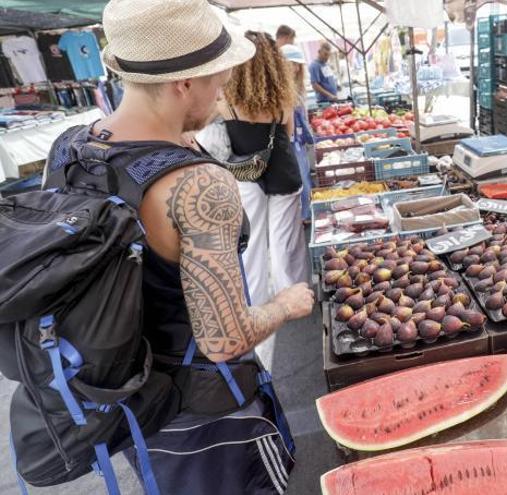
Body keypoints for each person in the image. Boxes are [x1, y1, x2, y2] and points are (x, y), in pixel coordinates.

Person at [57, 0, 313, 493]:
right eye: (218, 78)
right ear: (184, 82)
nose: (222, 94)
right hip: (205, 413)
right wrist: (285, 303)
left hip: (121, 399)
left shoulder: (70, 147)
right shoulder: (196, 184)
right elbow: (224, 341)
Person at [222, 31, 310, 312]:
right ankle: (296, 299)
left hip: (245, 176)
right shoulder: (282, 97)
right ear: (274, 61)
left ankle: (256, 305)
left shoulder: (225, 100)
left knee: (252, 244)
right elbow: (289, 132)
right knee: (287, 242)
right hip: (283, 172)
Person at [283, 44, 315, 222]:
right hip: (290, 140)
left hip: (299, 139)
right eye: (291, 64)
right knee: (300, 177)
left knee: (304, 176)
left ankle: (307, 213)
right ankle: (304, 215)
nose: (295, 68)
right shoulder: (283, 89)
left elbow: (303, 114)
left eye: (297, 64)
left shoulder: (299, 87)